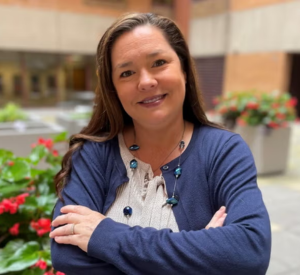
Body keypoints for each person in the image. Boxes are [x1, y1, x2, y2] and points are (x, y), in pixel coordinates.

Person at [50, 12, 271, 275]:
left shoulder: (224, 151)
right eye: (127, 72)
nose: (146, 81)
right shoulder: (93, 155)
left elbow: (249, 252)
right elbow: (67, 256)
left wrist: (103, 235)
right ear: (113, 89)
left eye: (159, 62)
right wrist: (198, 258)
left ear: (185, 70)